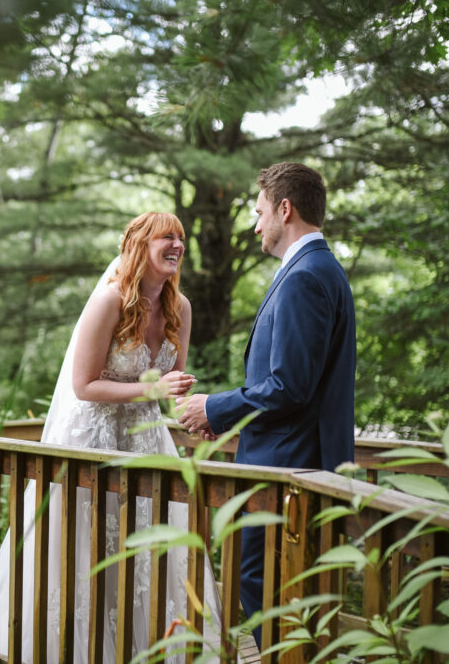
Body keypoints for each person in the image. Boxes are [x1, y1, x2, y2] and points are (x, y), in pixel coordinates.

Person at [0, 211, 222, 663]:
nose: (177, 245)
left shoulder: (180, 308)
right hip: (93, 441)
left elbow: (168, 382)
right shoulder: (110, 301)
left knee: (150, 549)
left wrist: (192, 406)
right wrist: (153, 388)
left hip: (147, 444)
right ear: (139, 245)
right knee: (85, 547)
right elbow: (83, 385)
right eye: (166, 237)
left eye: (181, 238)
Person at [177, 161, 357, 647]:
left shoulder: (304, 277)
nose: (256, 225)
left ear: (285, 208)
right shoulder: (321, 269)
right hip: (296, 458)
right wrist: (233, 420)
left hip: (288, 469)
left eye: (259, 213)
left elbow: (289, 386)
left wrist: (214, 408)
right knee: (292, 594)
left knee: (262, 585)